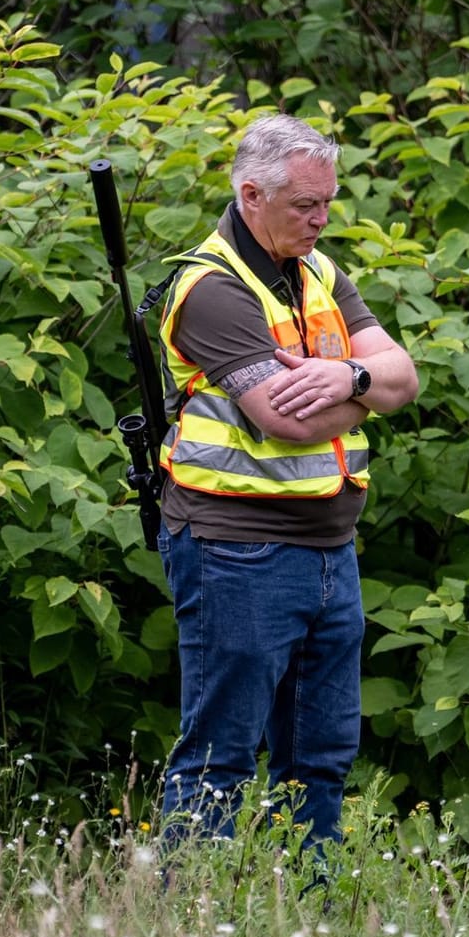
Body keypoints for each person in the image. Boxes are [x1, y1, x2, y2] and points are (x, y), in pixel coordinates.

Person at [152, 114, 419, 846]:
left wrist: (349, 374)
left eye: (327, 201)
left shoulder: (319, 272)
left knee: (321, 758)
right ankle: (186, 927)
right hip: (236, 549)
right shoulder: (210, 288)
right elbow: (285, 422)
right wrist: (371, 390)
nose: (321, 218)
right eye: (306, 205)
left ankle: (305, 918)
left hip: (330, 545)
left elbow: (406, 378)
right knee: (219, 760)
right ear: (251, 195)